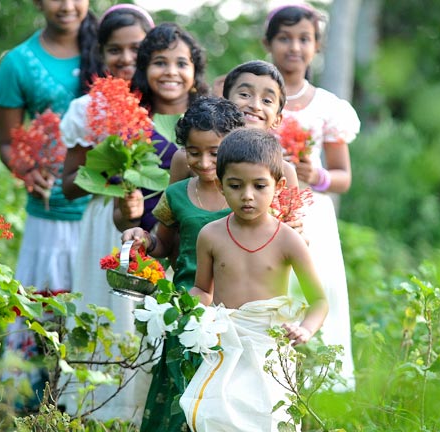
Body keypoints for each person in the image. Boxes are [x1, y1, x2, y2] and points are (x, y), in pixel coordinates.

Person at [180, 128, 328, 431]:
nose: (247, 195)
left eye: (259, 186)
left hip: (270, 343)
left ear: (279, 186)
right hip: (226, 341)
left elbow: (319, 301)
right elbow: (202, 289)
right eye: (235, 186)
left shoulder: (288, 240)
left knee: (270, 416)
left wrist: (305, 329)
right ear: (220, 186)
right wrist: (186, 308)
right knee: (214, 414)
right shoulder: (210, 235)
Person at [0, 0, 100, 410]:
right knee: (42, 314)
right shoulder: (18, 63)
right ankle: (29, 406)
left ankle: (89, 405)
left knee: (95, 314)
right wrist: (25, 169)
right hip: (50, 213)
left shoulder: (109, 47)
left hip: (106, 208)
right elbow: (8, 143)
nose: (67, 5)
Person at [122, 96, 245, 432]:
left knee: (227, 402)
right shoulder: (177, 194)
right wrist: (143, 239)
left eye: (214, 153)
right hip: (186, 308)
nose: (204, 162)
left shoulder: (246, 195)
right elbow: (163, 244)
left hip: (236, 313)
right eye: (193, 152)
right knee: (180, 396)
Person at [59, 4, 154, 422]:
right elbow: (68, 184)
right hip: (103, 224)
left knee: (146, 317)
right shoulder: (86, 109)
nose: (127, 58)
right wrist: (109, 169)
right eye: (116, 50)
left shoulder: (163, 99)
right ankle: (97, 412)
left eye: (137, 48)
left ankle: (144, 413)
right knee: (105, 312)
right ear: (101, 54)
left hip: (156, 224)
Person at [263, 3, 361, 390]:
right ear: (268, 43)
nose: (294, 47)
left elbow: (343, 177)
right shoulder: (254, 98)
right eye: (284, 38)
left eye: (304, 39)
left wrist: (315, 175)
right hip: (262, 210)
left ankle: (320, 384)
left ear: (317, 46)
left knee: (317, 290)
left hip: (312, 214)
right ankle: (272, 382)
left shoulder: (328, 106)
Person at [113, 22, 209, 234]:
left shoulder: (211, 124)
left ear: (195, 71)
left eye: (181, 64)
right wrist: (129, 213)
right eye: (160, 63)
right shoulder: (131, 129)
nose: (171, 72)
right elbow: (120, 220)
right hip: (149, 245)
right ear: (144, 69)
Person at [170, 60, 299, 189]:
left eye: (267, 100)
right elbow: (172, 198)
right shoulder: (188, 159)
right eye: (244, 94)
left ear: (277, 119)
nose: (255, 105)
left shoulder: (284, 171)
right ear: (224, 102)